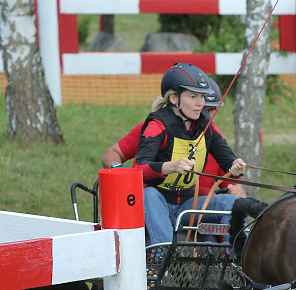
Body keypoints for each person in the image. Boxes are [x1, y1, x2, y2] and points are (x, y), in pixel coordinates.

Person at [132, 63, 246, 245]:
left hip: (188, 204)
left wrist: (235, 166)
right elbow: (139, 168)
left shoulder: (205, 124)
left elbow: (227, 161)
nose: (200, 103)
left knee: (232, 203)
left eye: (201, 96)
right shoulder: (157, 125)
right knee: (149, 194)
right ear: (174, 98)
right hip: (157, 202)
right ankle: (162, 259)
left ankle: (237, 262)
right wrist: (173, 166)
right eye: (193, 96)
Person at [100, 78, 246, 200]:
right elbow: (112, 154)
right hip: (153, 201)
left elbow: (232, 185)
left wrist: (238, 191)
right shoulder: (155, 128)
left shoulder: (212, 138)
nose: (201, 113)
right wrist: (123, 177)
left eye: (209, 110)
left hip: (195, 213)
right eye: (199, 108)